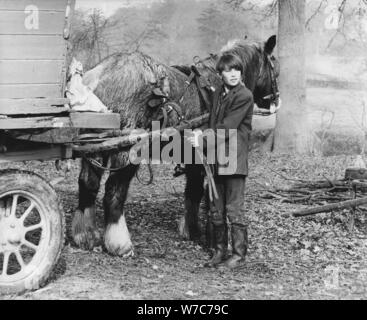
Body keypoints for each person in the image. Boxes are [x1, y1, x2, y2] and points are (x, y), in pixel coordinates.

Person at [188, 53, 254, 269]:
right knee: (216, 209)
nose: (233, 74)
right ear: (221, 74)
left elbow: (227, 127)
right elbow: (214, 122)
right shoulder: (218, 95)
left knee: (234, 210)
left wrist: (202, 138)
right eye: (228, 70)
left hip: (234, 160)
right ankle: (219, 251)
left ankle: (238, 256)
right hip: (216, 160)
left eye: (237, 70)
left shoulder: (244, 95)